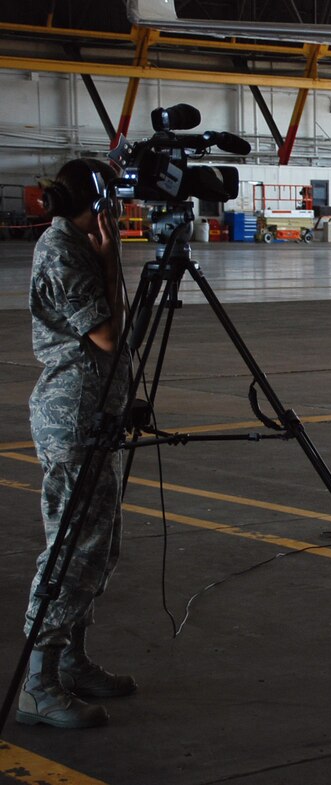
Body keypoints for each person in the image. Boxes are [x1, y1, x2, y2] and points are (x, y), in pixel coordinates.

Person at [18, 158, 135, 729]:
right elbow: (109, 335)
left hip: (96, 413)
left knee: (97, 547)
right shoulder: (65, 250)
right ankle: (37, 683)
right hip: (73, 416)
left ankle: (71, 661)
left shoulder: (80, 244)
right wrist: (112, 261)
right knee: (72, 548)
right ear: (98, 204)